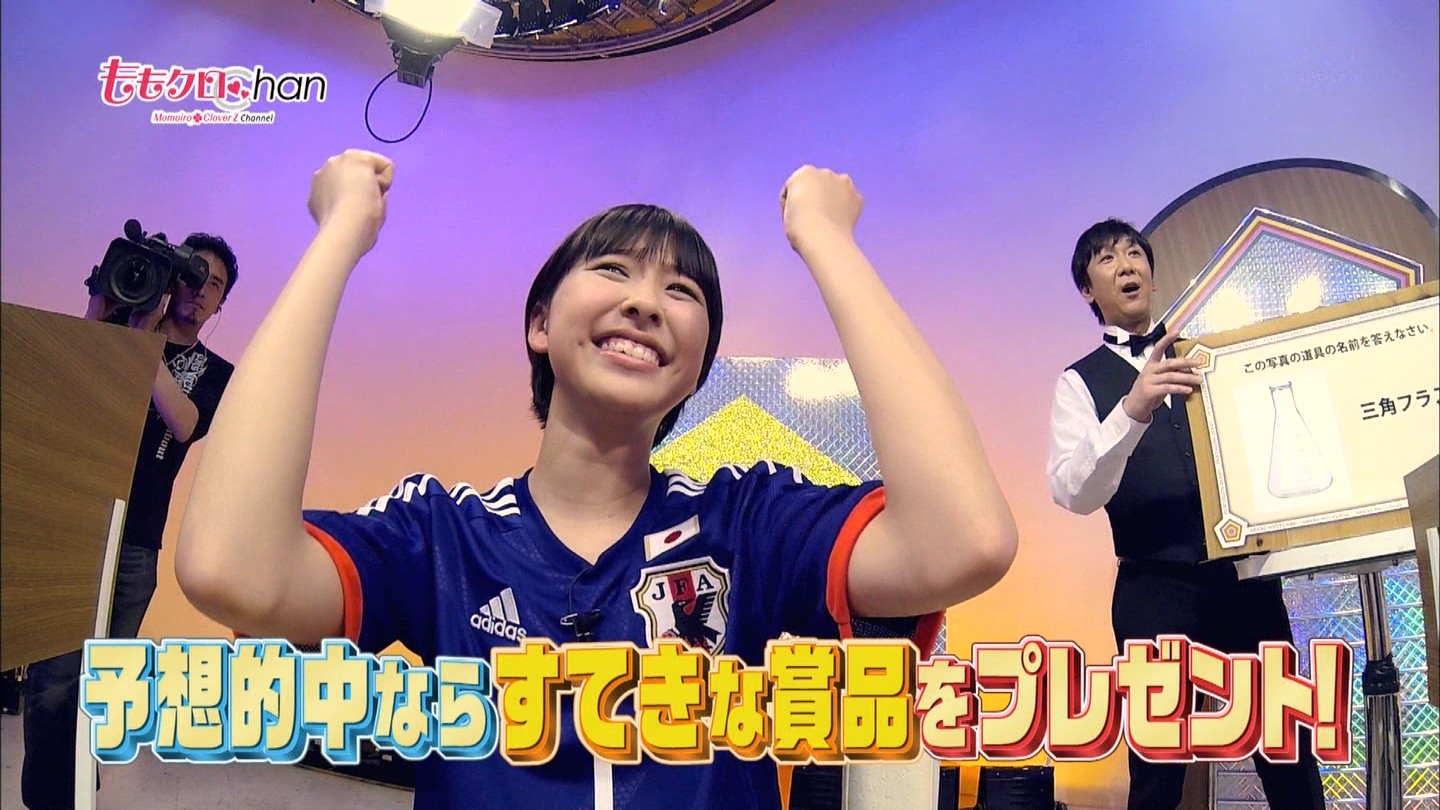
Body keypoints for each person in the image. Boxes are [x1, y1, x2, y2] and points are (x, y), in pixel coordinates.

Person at [177, 150, 1018, 810]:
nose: (646, 303)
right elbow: (230, 568)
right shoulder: (440, 533)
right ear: (540, 323)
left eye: (681, 290)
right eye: (614, 271)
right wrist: (338, 238)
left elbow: (964, 541)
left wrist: (829, 241)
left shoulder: (747, 522)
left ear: (696, 368)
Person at [1046, 218, 1324, 810]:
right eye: (1106, 259)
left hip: (1243, 580)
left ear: (1150, 271)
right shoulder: (1079, 382)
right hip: (1153, 586)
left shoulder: (1212, 356)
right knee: (1157, 765)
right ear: (1088, 290)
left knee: (1288, 751)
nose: (1126, 265)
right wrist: (1131, 410)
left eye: (1134, 253)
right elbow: (1072, 492)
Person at [23, 233, 238, 810]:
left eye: (215, 285)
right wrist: (102, 306)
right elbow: (65, 382)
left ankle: (73, 792)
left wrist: (142, 343)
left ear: (221, 304)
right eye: (194, 275)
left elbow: (184, 421)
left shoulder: (217, 373)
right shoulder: (118, 329)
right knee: (49, 683)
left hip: (137, 542)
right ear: (173, 277)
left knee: (99, 689)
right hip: (76, 526)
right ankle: (48, 799)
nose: (201, 291)